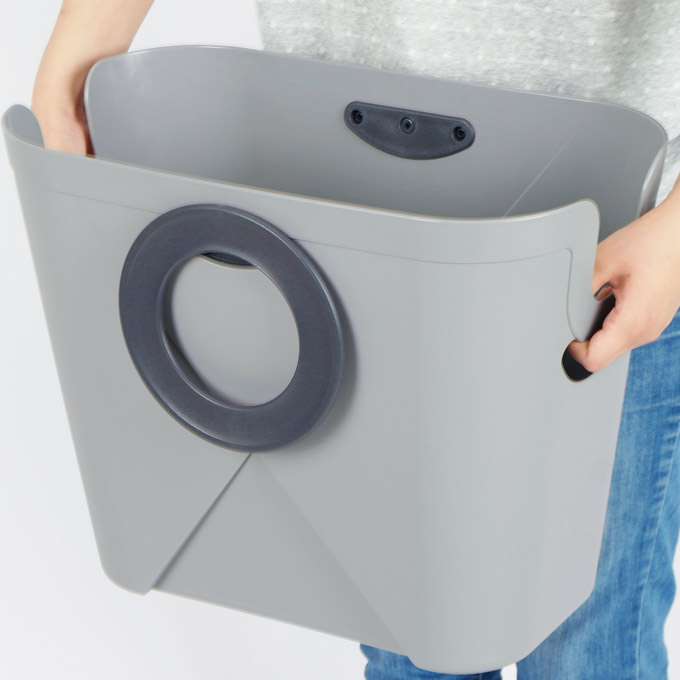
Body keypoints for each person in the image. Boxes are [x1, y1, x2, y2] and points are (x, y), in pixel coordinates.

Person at [32, 1, 680, 678]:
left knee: (588, 644)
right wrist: (71, 72)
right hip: (350, 214)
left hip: (615, 253)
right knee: (414, 640)